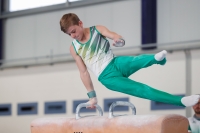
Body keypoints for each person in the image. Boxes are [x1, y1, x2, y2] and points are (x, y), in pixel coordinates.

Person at [59, 13, 200, 109]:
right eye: (69, 34)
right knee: (141, 89)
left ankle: (156, 59)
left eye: (73, 31)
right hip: (107, 77)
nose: (73, 36)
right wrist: (92, 97)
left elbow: (114, 35)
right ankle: (180, 101)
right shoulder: (74, 48)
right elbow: (83, 73)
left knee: (135, 60)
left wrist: (118, 40)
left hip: (115, 63)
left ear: (80, 23)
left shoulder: (97, 29)